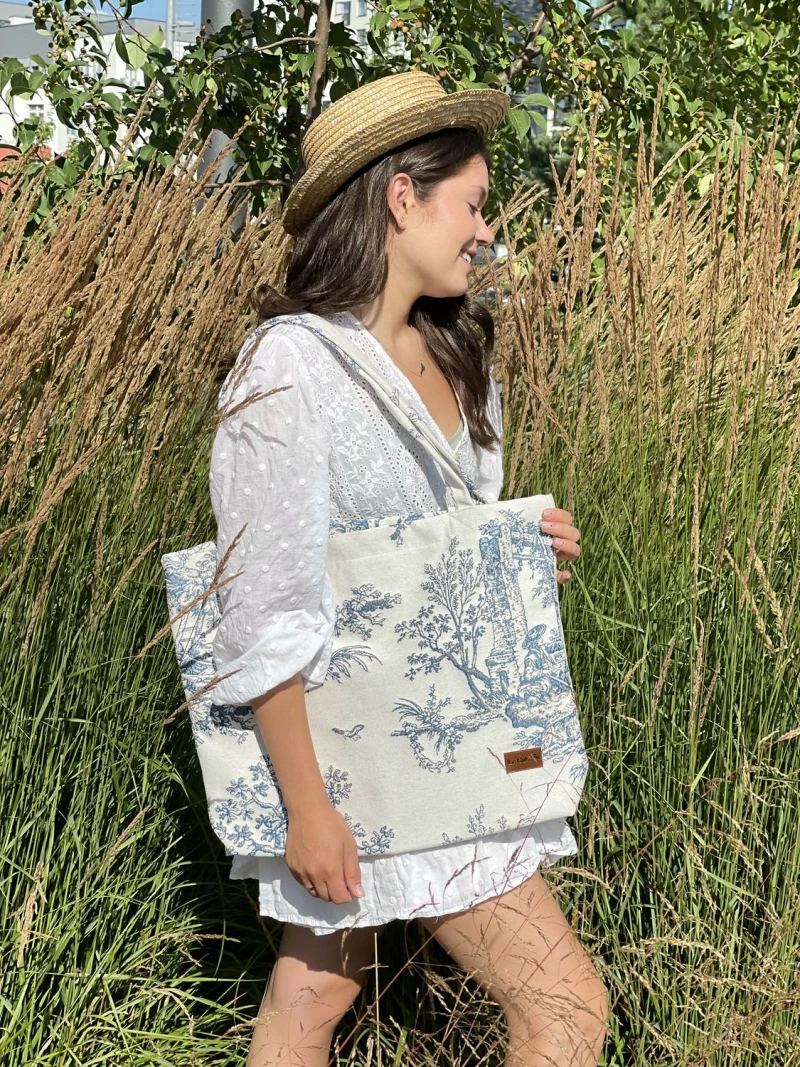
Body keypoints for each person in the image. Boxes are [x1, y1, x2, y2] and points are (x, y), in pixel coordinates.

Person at [209, 70, 608, 1067]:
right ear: (401, 199)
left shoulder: (459, 357)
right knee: (566, 1007)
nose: (485, 231)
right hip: (358, 758)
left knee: (310, 1004)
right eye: (472, 204)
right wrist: (308, 807)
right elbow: (263, 604)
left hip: (446, 741)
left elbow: (425, 562)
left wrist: (516, 556)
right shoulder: (289, 367)